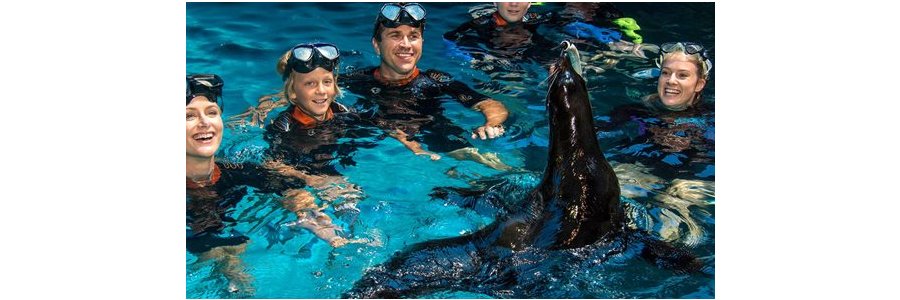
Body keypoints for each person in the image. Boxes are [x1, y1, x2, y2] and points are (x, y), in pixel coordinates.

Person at [185, 74, 366, 294]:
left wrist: (314, 219)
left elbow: (289, 189)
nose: (205, 123)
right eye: (189, 117)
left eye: (212, 113)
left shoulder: (240, 172)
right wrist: (228, 265)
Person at [342, 2, 512, 171]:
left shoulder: (436, 80)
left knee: (492, 166)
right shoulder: (355, 80)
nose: (406, 45)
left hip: (437, 139)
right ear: (377, 45)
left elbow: (489, 104)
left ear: (421, 43)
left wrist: (492, 124)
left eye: (413, 36)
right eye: (395, 35)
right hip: (376, 148)